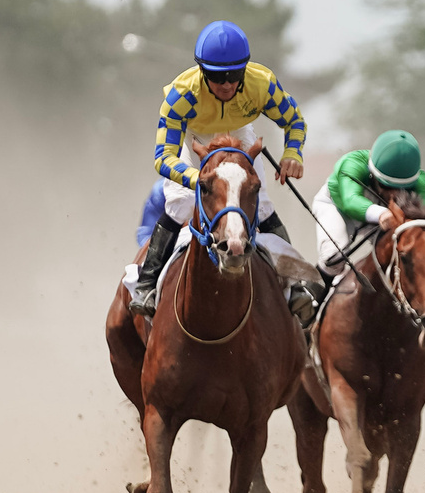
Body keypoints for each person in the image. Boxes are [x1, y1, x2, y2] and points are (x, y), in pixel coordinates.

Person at [127, 20, 321, 323]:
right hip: (193, 138)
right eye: (217, 76)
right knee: (181, 203)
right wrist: (203, 180)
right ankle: (147, 284)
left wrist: (292, 153)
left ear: (245, 70)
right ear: (203, 72)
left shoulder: (262, 84)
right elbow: (163, 158)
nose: (227, 84)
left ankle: (295, 285)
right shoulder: (181, 95)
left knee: (262, 205)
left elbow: (294, 122)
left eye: (234, 75)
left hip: (237, 132)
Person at [313, 129, 425, 270]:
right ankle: (309, 290)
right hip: (337, 208)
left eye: (403, 189)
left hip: (385, 218)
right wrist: (382, 214)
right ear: (373, 173)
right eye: (386, 186)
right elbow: (350, 201)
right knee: (334, 259)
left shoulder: (421, 181)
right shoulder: (351, 163)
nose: (392, 195)